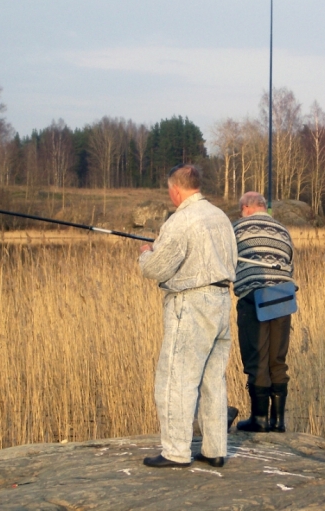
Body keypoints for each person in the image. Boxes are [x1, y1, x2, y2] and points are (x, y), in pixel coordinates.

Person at [138, 164, 237, 468]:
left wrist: (146, 252)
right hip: (222, 303)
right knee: (212, 380)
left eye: (169, 191)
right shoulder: (220, 217)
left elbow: (157, 268)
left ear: (176, 190)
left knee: (176, 378)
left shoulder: (181, 220)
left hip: (191, 305)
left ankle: (176, 452)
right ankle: (215, 449)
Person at [233, 192, 295, 433]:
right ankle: (278, 421)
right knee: (277, 359)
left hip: (254, 295)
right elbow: (289, 262)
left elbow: (226, 260)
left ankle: (259, 419)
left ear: (246, 207)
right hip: (283, 295)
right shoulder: (282, 229)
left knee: (256, 356)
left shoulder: (237, 228)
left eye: (240, 210)